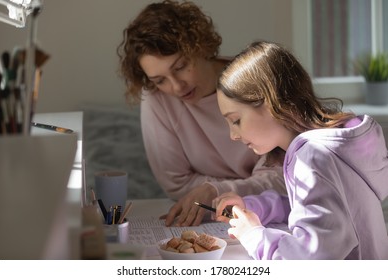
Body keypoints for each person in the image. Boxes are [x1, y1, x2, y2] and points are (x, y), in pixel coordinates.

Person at [117, 1, 286, 227]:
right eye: (160, 80)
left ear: (200, 48)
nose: (176, 86)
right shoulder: (157, 98)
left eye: (180, 67)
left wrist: (214, 190)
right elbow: (175, 184)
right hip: (226, 215)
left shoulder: (252, 80)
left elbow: (283, 175)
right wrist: (244, 186)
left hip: (269, 209)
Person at [213, 40, 388, 259]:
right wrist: (252, 207)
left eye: (236, 120)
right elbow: (310, 211)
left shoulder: (313, 158)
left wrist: (252, 235)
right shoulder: (330, 148)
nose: (233, 135)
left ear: (270, 103)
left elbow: (309, 259)